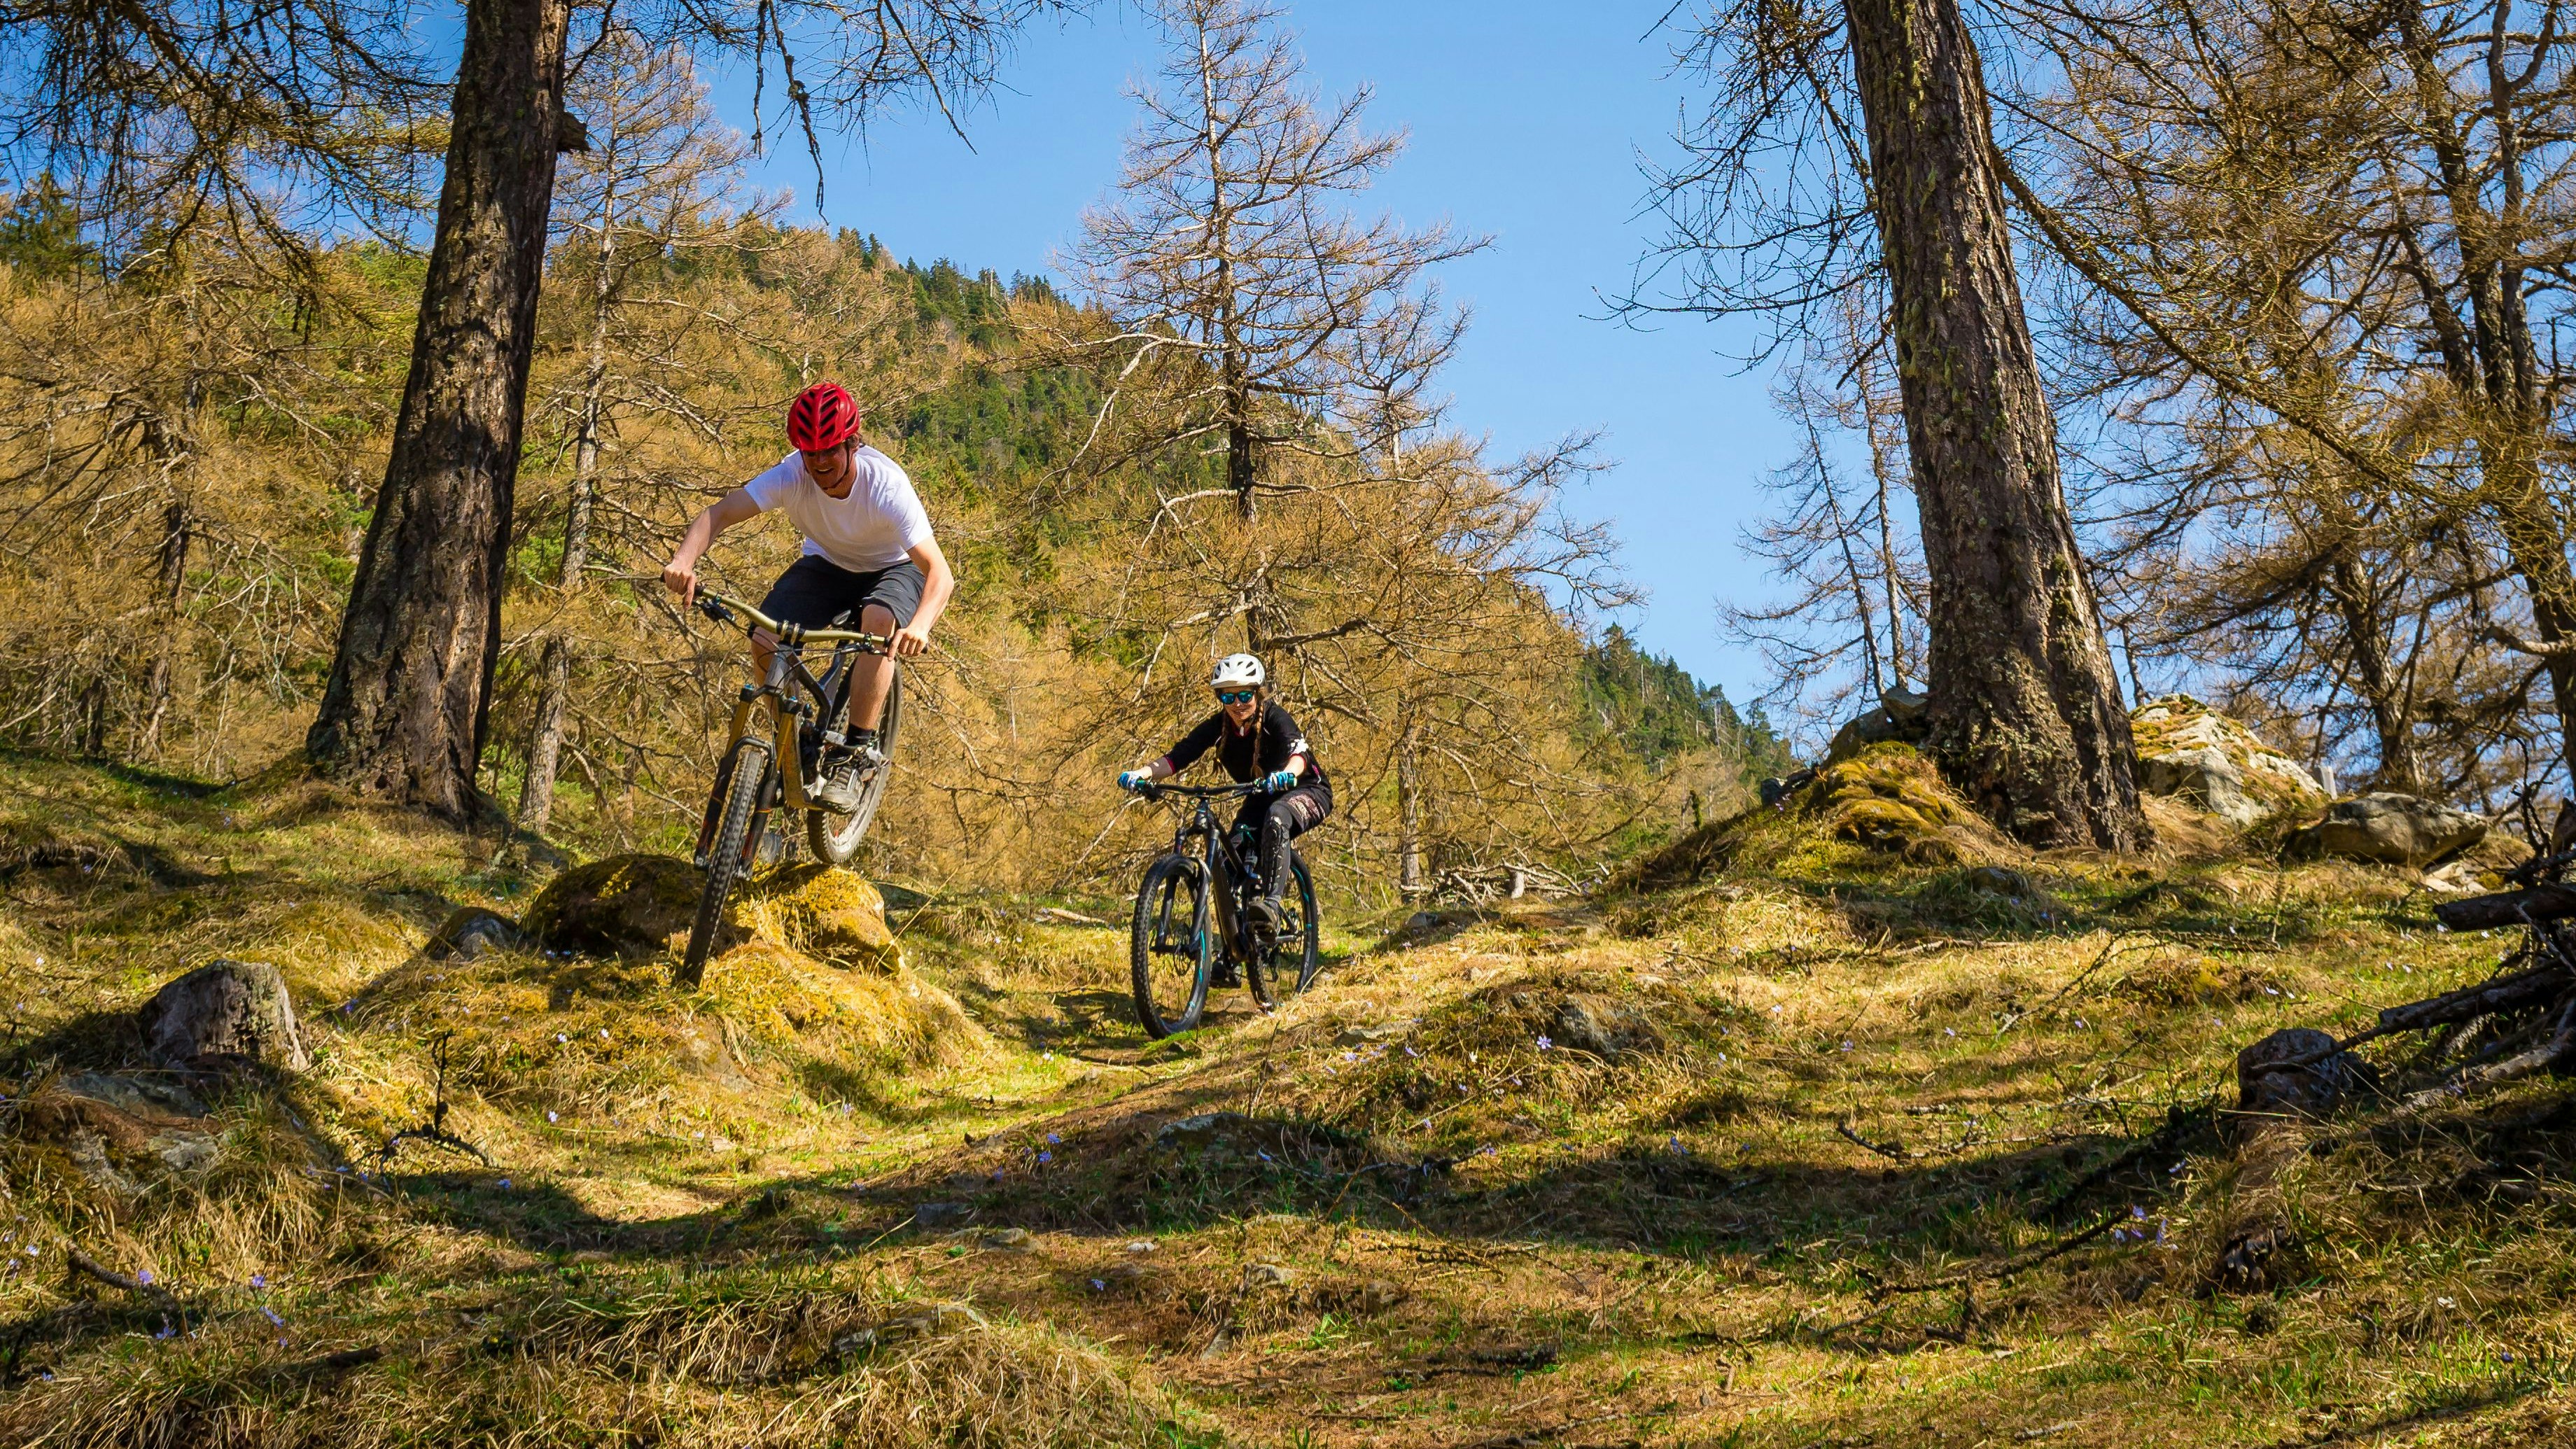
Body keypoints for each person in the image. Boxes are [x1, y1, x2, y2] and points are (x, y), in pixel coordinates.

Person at [663, 382, 955, 810]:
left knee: (877, 625)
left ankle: (854, 754)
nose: (819, 463)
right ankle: (794, 743)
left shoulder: (886, 486)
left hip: (893, 567)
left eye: (830, 451)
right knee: (764, 638)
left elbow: (940, 573)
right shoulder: (791, 475)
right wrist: (684, 560)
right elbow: (720, 513)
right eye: (810, 452)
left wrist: (920, 626)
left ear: (852, 445)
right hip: (829, 563)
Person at [1119, 654, 1331, 979]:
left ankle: (1272, 906)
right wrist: (1142, 773)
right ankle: (1235, 953)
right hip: (1260, 796)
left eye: (1244, 695)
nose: (1236, 704)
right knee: (1229, 866)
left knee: (1277, 817)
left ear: (1257, 693)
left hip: (1306, 789)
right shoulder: (1218, 728)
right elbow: (1178, 757)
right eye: (1227, 696)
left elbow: (1299, 754)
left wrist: (1287, 774)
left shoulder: (1275, 718)